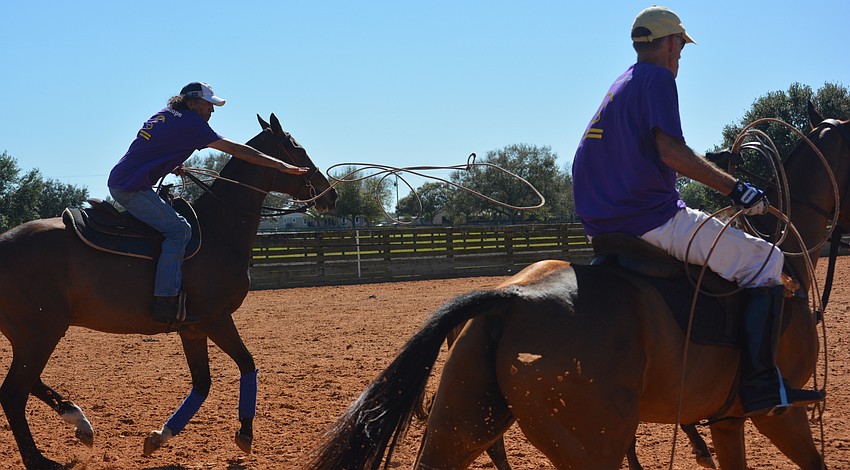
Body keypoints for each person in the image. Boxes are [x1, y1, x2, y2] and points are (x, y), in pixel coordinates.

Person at [571, 6, 823, 416]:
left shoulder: (623, 84)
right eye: (681, 50)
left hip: (602, 227)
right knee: (767, 261)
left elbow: (648, 154)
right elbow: (671, 151)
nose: (680, 58)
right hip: (652, 220)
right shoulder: (658, 80)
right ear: (671, 44)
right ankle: (760, 385)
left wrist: (709, 163)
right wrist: (736, 188)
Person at [108, 82, 308, 327]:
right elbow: (235, 149)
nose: (211, 111)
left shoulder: (167, 115)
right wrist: (278, 164)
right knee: (179, 230)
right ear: (192, 103)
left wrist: (171, 164)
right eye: (208, 105)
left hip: (126, 181)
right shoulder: (192, 123)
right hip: (131, 188)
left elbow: (151, 147)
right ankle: (165, 299)